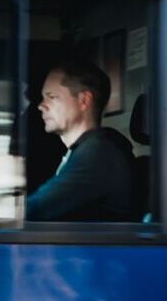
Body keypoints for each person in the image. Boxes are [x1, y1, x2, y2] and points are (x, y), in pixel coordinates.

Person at [24, 58, 137, 222]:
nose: (41, 105)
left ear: (84, 101)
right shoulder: (86, 149)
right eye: (43, 97)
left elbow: (35, 210)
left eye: (52, 97)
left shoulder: (98, 155)